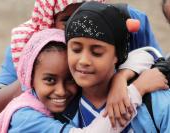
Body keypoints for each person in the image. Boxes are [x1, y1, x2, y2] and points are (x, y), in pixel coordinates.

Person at [0, 0, 163, 120]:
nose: (79, 26)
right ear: (49, 20)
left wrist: (122, 77)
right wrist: (34, 69)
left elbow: (159, 70)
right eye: (67, 21)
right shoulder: (27, 43)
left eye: (97, 51)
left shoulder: (126, 21)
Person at [0, 28, 167, 133]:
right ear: (29, 78)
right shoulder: (25, 117)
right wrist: (136, 89)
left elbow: (144, 53)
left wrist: (122, 76)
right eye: (49, 80)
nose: (61, 91)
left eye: (70, 79)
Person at [65, 1, 170, 132]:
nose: (84, 61)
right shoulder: (60, 106)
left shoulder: (156, 99)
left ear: (118, 55)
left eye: (96, 53)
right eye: (76, 49)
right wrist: (136, 90)